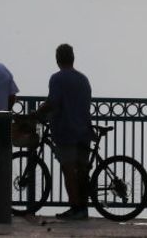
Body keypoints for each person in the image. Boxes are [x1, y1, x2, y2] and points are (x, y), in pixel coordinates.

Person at [33, 44, 92, 221]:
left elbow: (53, 101)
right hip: (84, 129)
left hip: (66, 130)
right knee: (82, 170)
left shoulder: (57, 78)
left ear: (57, 59)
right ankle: (83, 208)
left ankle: (75, 208)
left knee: (68, 170)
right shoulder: (83, 79)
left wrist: (37, 113)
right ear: (73, 58)